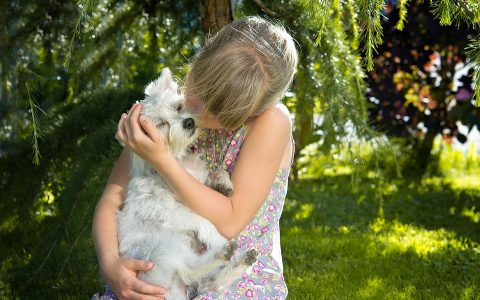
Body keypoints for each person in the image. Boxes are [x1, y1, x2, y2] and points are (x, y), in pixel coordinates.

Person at [92, 15, 298, 300]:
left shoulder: (271, 123)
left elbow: (230, 220)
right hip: (162, 270)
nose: (194, 111)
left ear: (252, 112)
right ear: (202, 58)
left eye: (217, 112)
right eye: (197, 87)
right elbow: (113, 198)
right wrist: (111, 266)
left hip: (233, 281)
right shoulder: (169, 109)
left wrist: (162, 160)